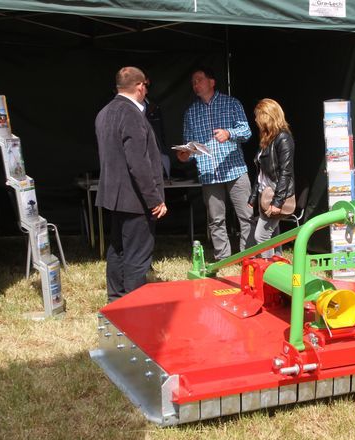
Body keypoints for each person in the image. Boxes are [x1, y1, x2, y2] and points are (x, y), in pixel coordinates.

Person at [95, 66, 167, 302]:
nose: (146, 90)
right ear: (139, 86)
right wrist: (154, 199)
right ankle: (133, 307)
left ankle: (115, 300)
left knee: (117, 250)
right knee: (137, 255)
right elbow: (138, 163)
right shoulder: (132, 114)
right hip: (136, 198)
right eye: (146, 85)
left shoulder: (104, 112)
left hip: (114, 197)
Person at [177, 67, 252, 261]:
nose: (195, 85)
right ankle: (223, 259)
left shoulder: (231, 103)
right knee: (216, 220)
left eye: (199, 80)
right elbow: (190, 146)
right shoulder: (191, 113)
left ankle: (248, 257)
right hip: (209, 173)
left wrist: (229, 133)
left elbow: (246, 131)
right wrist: (185, 154)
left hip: (235, 170)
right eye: (193, 82)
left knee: (246, 215)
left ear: (212, 82)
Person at [247, 99, 296, 258]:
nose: (255, 120)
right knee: (273, 237)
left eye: (258, 116)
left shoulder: (283, 138)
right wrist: (253, 197)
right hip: (265, 195)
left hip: (276, 196)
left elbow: (285, 172)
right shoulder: (266, 139)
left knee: (261, 236)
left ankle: (268, 272)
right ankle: (279, 267)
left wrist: (277, 202)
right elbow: (260, 173)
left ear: (267, 116)